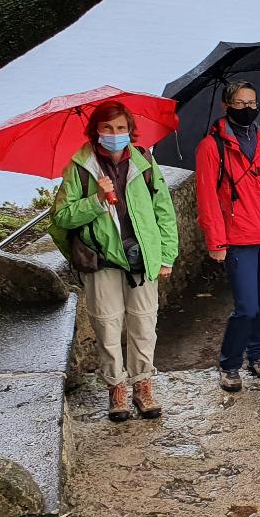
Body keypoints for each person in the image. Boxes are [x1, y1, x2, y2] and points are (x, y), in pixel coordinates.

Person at [49, 100, 179, 421]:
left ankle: (143, 385)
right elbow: (61, 218)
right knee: (107, 326)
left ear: (130, 130)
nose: (114, 133)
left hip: (141, 257)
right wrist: (96, 200)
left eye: (121, 127)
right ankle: (116, 388)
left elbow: (163, 211)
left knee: (144, 324)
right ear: (96, 130)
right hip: (102, 261)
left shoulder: (144, 161)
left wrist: (166, 255)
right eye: (107, 127)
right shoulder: (80, 168)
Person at [194, 80, 260, 392]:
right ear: (226, 106)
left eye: (252, 103)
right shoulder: (211, 146)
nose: (247, 108)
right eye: (240, 103)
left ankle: (258, 355)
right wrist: (216, 241)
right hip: (239, 235)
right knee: (247, 307)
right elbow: (207, 198)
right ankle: (229, 364)